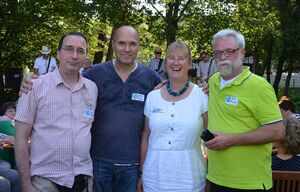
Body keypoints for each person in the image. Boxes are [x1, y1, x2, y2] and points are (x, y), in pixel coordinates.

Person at [14, 32, 98, 192]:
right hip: (45, 182)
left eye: (81, 51)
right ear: (58, 53)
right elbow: (20, 138)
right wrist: (25, 185)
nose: (74, 55)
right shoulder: (34, 86)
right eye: (69, 49)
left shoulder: (92, 89)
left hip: (82, 179)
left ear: (86, 56)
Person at [83, 25, 161, 192]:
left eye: (132, 44)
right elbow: (66, 86)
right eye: (122, 43)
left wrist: (204, 89)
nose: (127, 49)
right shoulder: (93, 75)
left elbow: (175, 93)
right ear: (113, 45)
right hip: (98, 160)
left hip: (133, 164)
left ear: (139, 46)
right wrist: (34, 82)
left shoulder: (152, 78)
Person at [205, 29, 285, 192]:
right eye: (218, 52)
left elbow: (278, 132)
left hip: (249, 183)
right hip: (216, 178)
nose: (223, 57)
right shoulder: (213, 81)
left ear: (242, 53)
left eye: (229, 51)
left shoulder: (259, 86)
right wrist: (165, 87)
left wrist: (232, 139)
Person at [138, 41, 208, 192]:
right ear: (165, 62)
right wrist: (141, 173)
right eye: (171, 58)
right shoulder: (152, 97)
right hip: (154, 176)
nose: (176, 62)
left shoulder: (202, 95)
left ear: (190, 63)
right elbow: (145, 136)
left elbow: (211, 137)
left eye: (182, 58)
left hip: (191, 176)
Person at [0, 102, 16, 167]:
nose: (13, 112)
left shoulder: (11, 122)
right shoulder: (4, 122)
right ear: (4, 112)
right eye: (10, 111)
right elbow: (16, 137)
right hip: (5, 156)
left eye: (15, 110)